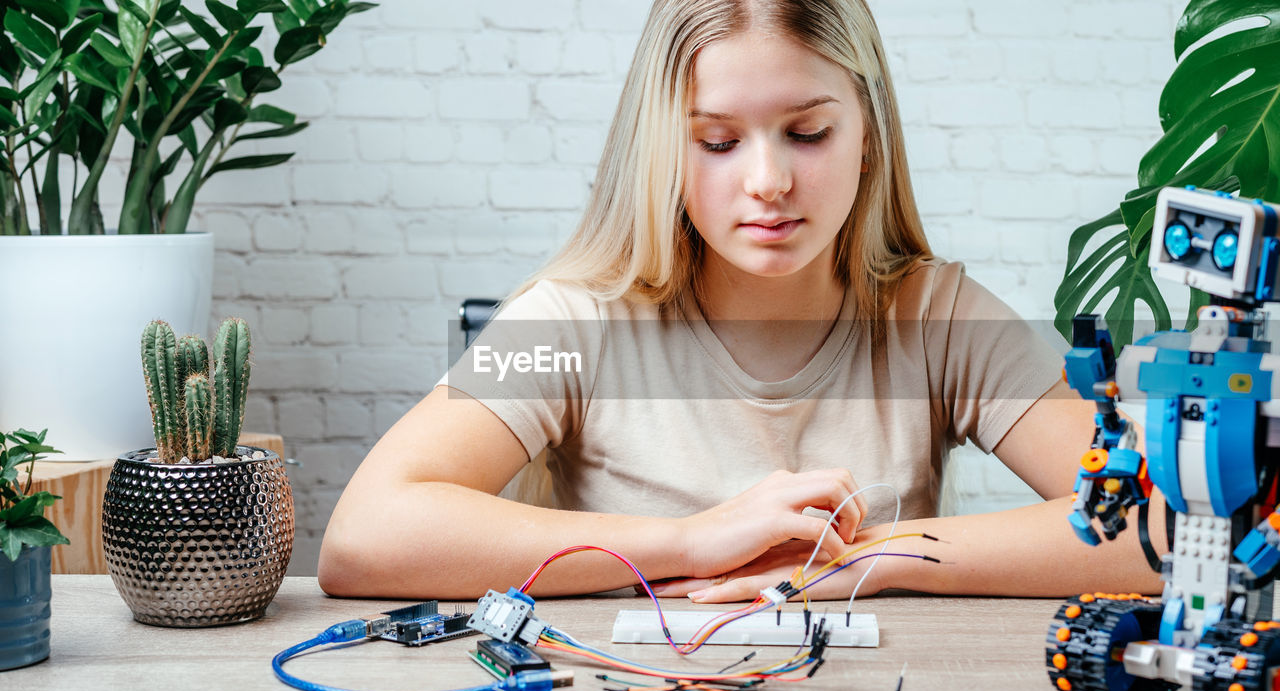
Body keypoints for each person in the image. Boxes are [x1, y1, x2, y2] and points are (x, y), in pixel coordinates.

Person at [318, 0, 1166, 601]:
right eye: (717, 141)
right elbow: (365, 536)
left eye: (808, 133)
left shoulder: (937, 317)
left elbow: (1159, 528)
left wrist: (871, 555)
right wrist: (691, 544)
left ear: (867, 136)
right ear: (663, 149)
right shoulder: (566, 318)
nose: (768, 182)